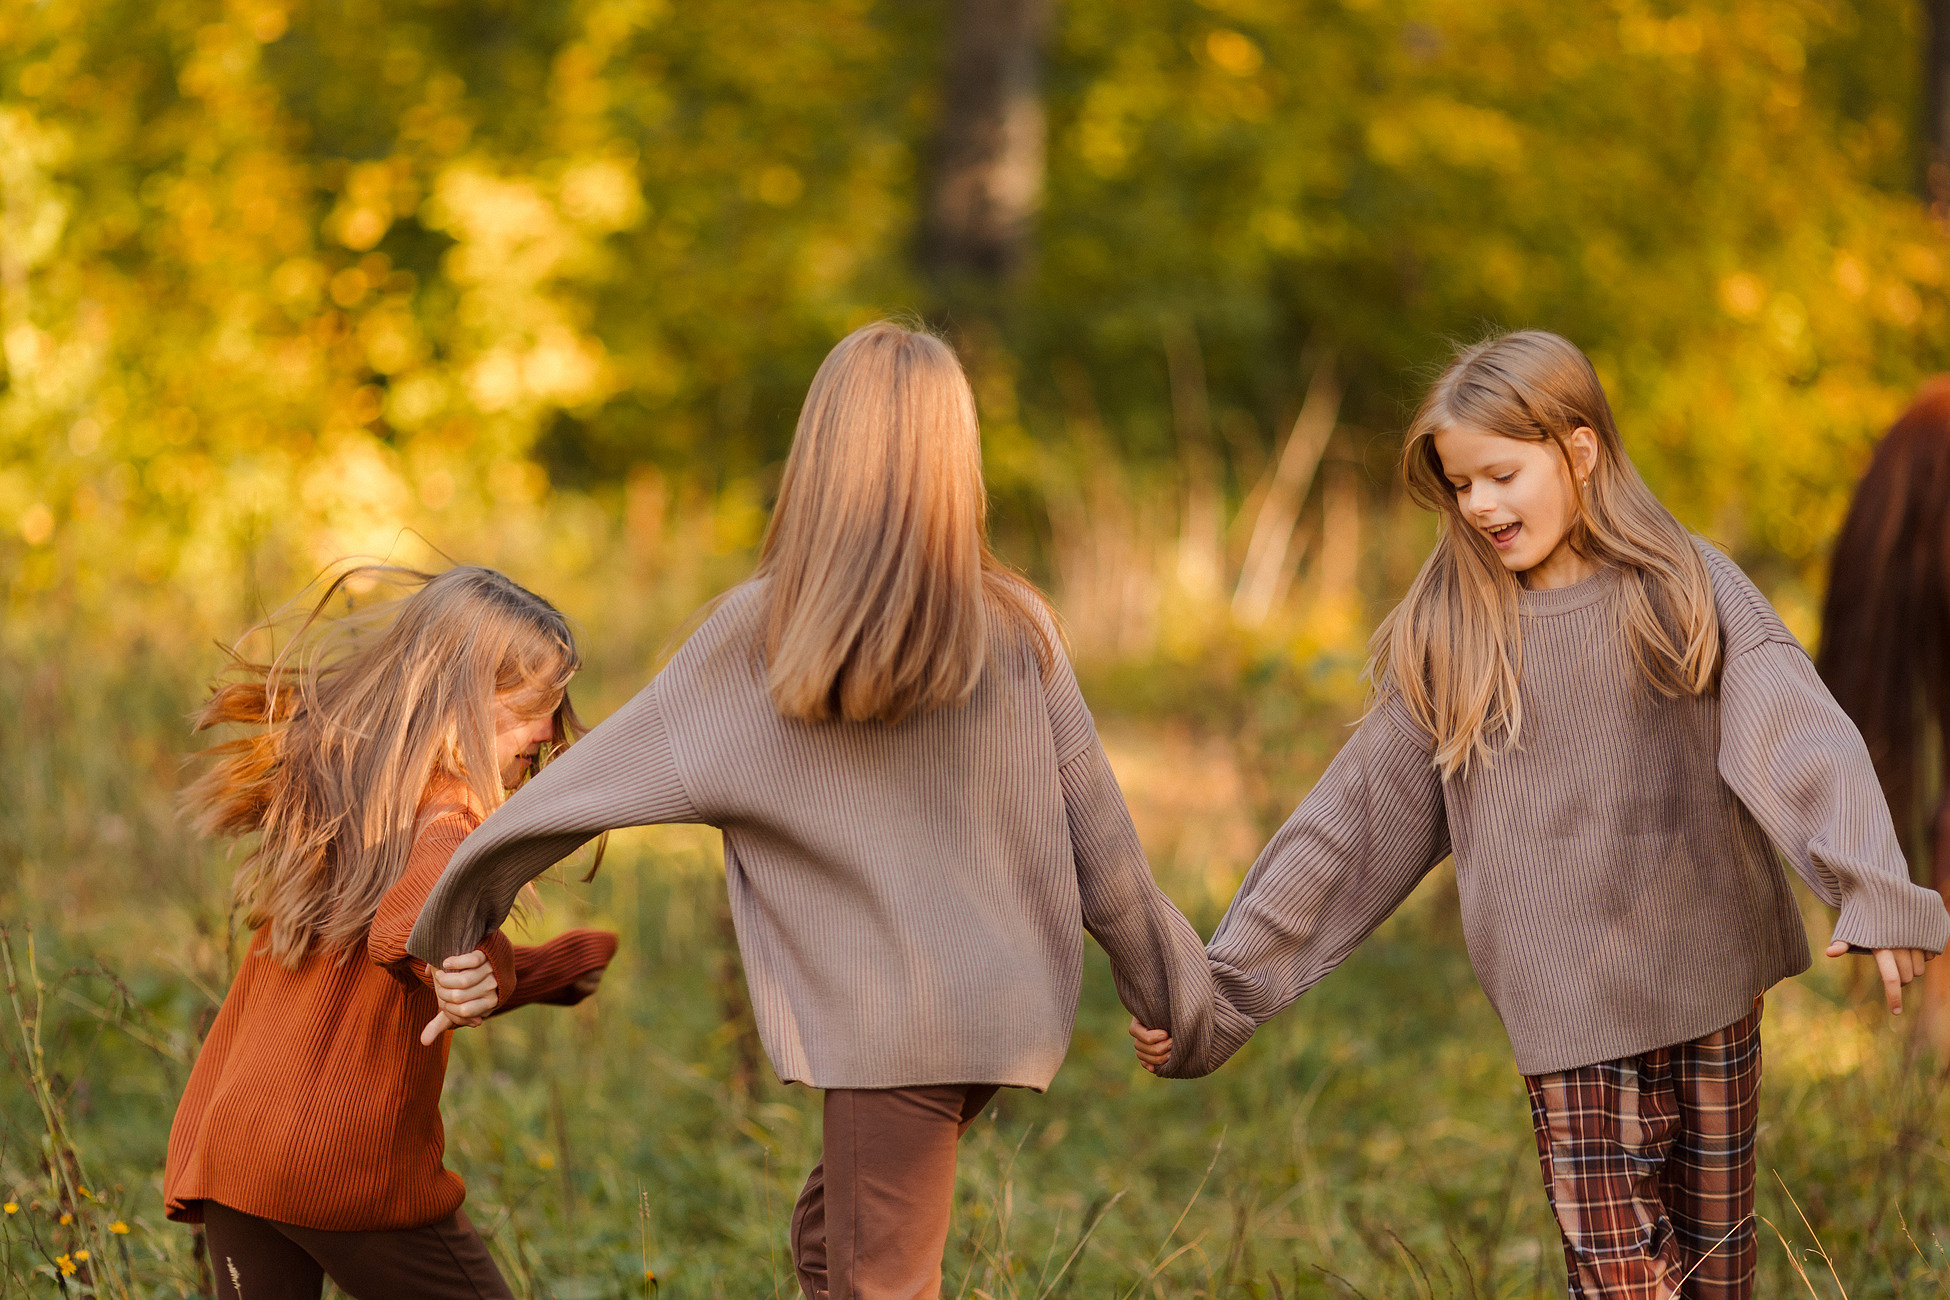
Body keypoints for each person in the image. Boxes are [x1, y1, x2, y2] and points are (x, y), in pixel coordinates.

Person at [1130, 330, 1950, 1299]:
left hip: (1712, 991)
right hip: (1571, 1024)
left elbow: (1799, 733)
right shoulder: (1456, 637)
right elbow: (1347, 826)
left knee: (1718, 1277)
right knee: (1624, 1287)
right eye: (1460, 484)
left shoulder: (1684, 590)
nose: (1479, 505)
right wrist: (1219, 995)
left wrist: (1875, 886)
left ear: (1581, 450)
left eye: (1501, 475)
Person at [405, 320, 1213, 1300]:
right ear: (958, 464)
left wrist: (453, 919)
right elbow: (1107, 843)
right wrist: (1170, 990)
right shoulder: (1016, 627)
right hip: (995, 1012)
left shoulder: (762, 635)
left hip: (892, 1028)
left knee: (874, 1279)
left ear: (819, 457)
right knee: (832, 1244)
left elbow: (580, 789)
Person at [165, 565, 619, 1300]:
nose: (547, 731)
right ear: (461, 700)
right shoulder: (451, 818)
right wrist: (445, 959)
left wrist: (538, 972)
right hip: (339, 1162)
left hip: (236, 1146)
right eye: (533, 706)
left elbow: (389, 950)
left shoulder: (344, 785)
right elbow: (413, 922)